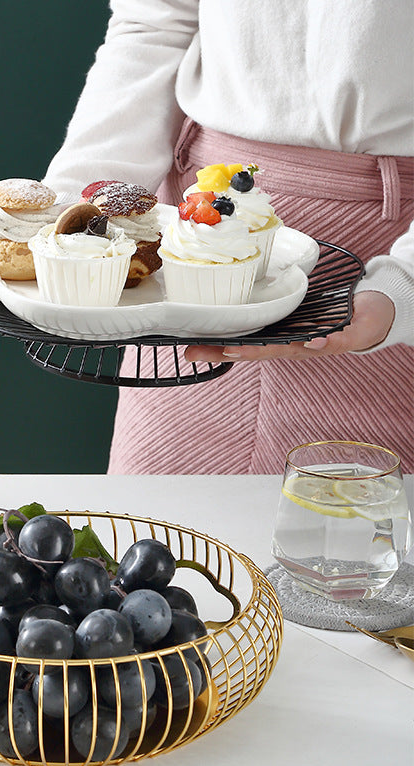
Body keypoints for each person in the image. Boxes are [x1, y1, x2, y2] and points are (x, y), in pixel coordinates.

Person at [42, 0, 414, 473]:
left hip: (384, 254)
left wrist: (404, 287)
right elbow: (157, 21)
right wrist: (66, 218)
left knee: (364, 533)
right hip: (192, 238)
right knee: (158, 532)